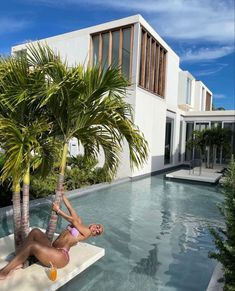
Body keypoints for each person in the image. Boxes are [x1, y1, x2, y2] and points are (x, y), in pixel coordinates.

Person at [0, 192, 104, 280]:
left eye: (97, 232)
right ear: (94, 224)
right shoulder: (80, 223)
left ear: (94, 235)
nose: (96, 229)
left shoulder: (87, 232)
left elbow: (73, 221)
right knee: (35, 231)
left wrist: (58, 210)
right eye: (98, 227)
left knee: (32, 246)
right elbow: (70, 208)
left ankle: (4, 272)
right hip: (53, 250)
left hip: (61, 256)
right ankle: (20, 259)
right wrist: (62, 195)